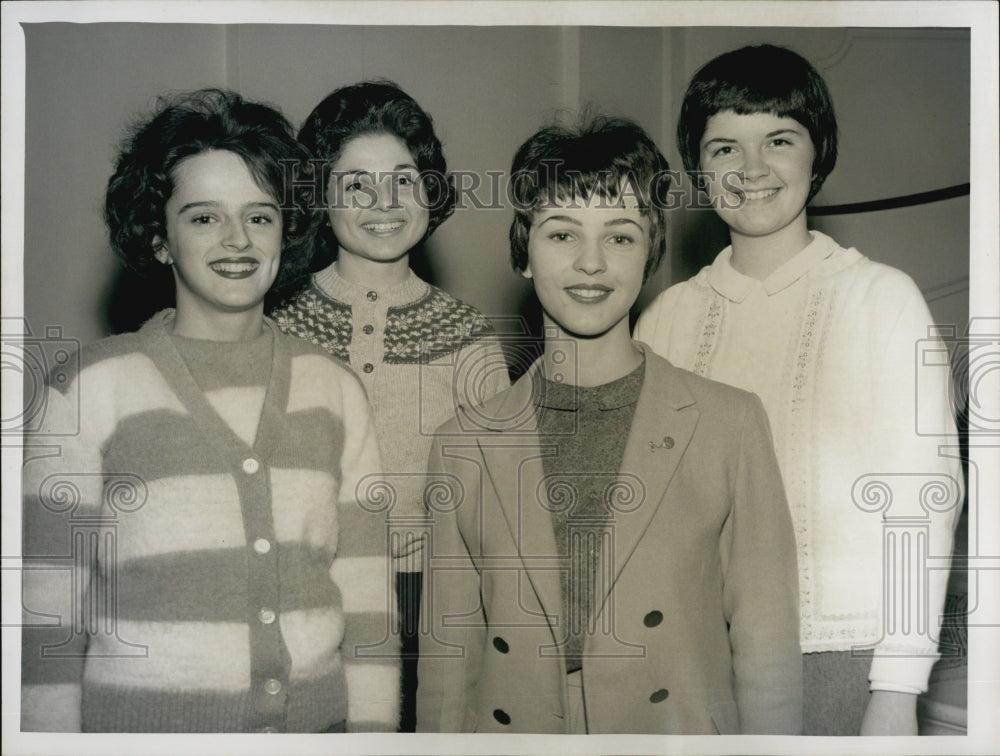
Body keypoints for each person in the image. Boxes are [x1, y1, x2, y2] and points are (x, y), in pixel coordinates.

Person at [20, 89, 399, 733]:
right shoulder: (87, 389)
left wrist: (372, 742)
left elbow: (367, 611)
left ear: (287, 230)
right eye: (203, 218)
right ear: (159, 237)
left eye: (259, 216)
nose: (236, 240)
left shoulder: (336, 391)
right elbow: (47, 624)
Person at [416, 116, 802, 734]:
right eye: (562, 234)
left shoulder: (730, 424)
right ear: (523, 252)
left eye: (620, 238)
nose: (590, 263)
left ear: (650, 252)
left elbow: (768, 652)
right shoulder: (462, 446)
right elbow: (446, 670)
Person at [634, 44, 963, 735]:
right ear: (699, 167)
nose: (751, 169)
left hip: (845, 659)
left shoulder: (881, 300)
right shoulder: (665, 321)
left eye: (778, 140)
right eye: (725, 148)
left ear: (818, 156)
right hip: (697, 661)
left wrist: (898, 688)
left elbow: (921, 504)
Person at [271, 80, 509, 731]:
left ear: (431, 190)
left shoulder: (468, 337)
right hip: (301, 588)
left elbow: (500, 509)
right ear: (320, 196)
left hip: (427, 604)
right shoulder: (276, 325)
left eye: (404, 180)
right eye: (356, 185)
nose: (384, 203)